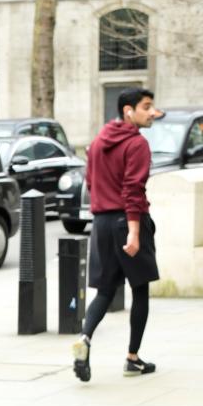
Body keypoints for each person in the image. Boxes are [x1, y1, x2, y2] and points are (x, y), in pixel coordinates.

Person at [72, 87, 164, 382]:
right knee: (140, 289)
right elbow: (133, 189)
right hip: (127, 221)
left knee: (105, 291)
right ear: (129, 110)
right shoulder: (136, 144)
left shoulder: (98, 141)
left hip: (101, 223)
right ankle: (132, 358)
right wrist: (134, 232)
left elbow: (90, 181)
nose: (152, 113)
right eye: (146, 107)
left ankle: (85, 338)